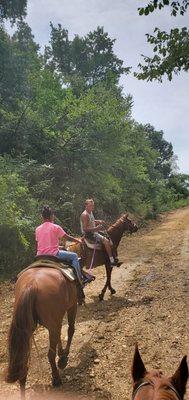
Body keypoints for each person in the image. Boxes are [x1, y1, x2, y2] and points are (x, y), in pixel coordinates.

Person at [35, 205, 91, 285]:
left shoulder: (37, 229)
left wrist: (59, 247)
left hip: (40, 256)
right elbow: (67, 237)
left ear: (42, 217)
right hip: (54, 254)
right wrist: (78, 241)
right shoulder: (56, 227)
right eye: (53, 215)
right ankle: (80, 279)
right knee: (74, 256)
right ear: (51, 216)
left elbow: (42, 244)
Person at [80, 198, 118, 266]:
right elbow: (85, 228)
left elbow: (91, 221)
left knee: (106, 234)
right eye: (91, 205)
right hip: (89, 234)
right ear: (86, 206)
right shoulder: (84, 215)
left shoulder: (90, 212)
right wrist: (96, 229)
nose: (92, 207)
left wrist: (98, 221)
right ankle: (111, 260)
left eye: (93, 205)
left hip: (93, 232)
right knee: (106, 241)